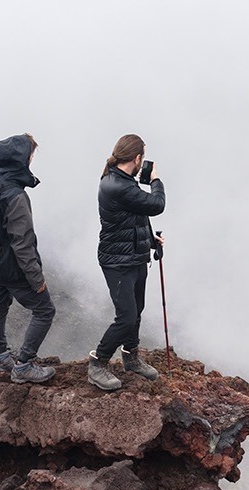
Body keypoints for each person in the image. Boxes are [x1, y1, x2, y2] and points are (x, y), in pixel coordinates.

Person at [89, 134, 166, 391]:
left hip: (133, 255)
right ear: (137, 158)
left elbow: (135, 214)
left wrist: (150, 238)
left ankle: (130, 356)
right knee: (127, 316)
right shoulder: (117, 185)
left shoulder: (123, 182)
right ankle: (97, 363)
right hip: (117, 261)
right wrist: (155, 179)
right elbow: (155, 205)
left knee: (137, 308)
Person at [0, 133, 56, 383]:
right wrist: (36, 279)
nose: (32, 159)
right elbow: (22, 244)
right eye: (30, 155)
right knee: (45, 310)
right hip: (12, 267)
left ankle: (1, 356)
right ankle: (23, 365)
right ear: (20, 160)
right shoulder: (16, 196)